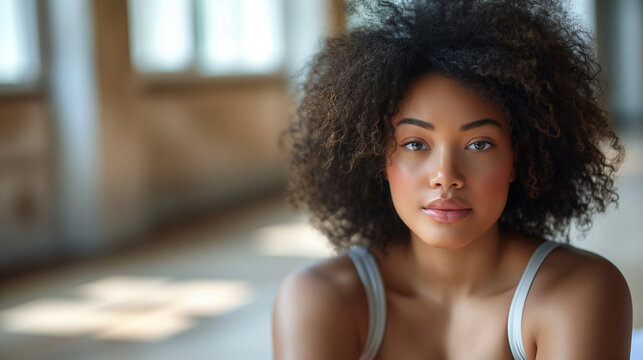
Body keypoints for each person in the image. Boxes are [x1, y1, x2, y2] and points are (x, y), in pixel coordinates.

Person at [273, 0, 633, 358]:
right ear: (378, 156)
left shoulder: (578, 292)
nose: (446, 176)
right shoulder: (318, 298)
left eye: (479, 144)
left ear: (518, 161)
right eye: (416, 143)